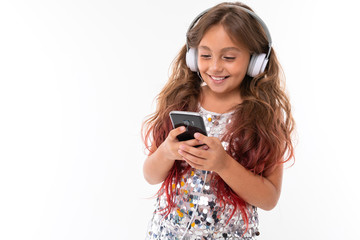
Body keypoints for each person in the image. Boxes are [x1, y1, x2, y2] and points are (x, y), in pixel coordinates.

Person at [142, 2, 295, 239]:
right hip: (167, 234)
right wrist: (166, 152)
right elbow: (150, 176)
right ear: (192, 57)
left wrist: (223, 164)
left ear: (256, 61)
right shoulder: (182, 102)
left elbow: (268, 199)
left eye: (229, 57)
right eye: (205, 55)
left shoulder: (264, 118)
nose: (215, 66)